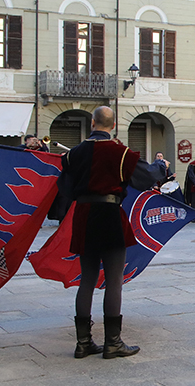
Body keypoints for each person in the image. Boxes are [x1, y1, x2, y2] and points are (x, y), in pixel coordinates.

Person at [60, 105, 142, 359]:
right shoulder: (121, 153)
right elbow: (144, 178)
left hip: (84, 215)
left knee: (87, 279)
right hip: (109, 214)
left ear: (93, 123)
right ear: (113, 125)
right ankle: (112, 343)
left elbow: (64, 187)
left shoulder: (74, 154)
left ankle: (83, 343)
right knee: (114, 280)